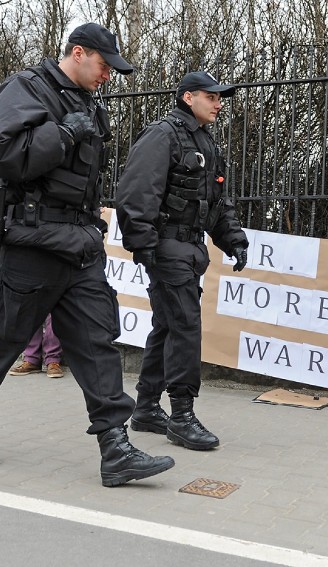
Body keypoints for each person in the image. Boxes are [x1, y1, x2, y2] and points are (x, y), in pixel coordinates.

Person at [0, 23, 175, 487]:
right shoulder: (28, 88)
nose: (108, 76)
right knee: (5, 339)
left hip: (80, 245)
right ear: (78, 53)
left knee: (97, 343)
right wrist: (64, 135)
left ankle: (115, 448)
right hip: (33, 243)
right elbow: (0, 154)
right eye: (104, 65)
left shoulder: (89, 104)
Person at [115, 71, 248, 451]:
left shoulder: (205, 141)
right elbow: (136, 192)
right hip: (167, 247)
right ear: (188, 97)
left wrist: (233, 240)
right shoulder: (163, 135)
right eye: (212, 96)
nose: (219, 103)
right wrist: (144, 245)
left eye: (220, 97)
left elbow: (217, 203)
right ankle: (182, 416)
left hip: (190, 250)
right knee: (185, 326)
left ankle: (145, 409)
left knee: (168, 325)